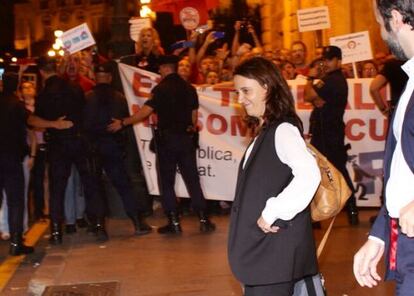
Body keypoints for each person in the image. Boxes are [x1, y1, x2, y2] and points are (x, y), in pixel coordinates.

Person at [228, 57, 321, 296]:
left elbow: (309, 174)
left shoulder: (283, 130)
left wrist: (273, 212)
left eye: (246, 90)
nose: (240, 99)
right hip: (266, 255)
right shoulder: (268, 130)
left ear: (267, 87)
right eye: (237, 92)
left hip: (273, 254)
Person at [108, 55, 215, 234]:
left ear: (166, 68)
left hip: (167, 142)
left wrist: (124, 122)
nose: (158, 71)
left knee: (167, 182)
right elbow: (194, 117)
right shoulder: (189, 89)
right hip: (186, 140)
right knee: (192, 179)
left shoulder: (160, 89)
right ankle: (204, 220)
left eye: (160, 68)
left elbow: (145, 112)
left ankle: (174, 222)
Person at [353, 1, 414, 294]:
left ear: (396, 18)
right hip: (403, 244)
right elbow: (401, 171)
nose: (381, 32)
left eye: (380, 23)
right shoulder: (410, 83)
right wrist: (379, 236)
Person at [28, 56, 108, 244]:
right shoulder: (74, 88)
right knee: (90, 185)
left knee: (57, 188)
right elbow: (84, 112)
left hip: (58, 144)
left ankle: (56, 231)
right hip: (80, 140)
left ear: (41, 72)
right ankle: (99, 225)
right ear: (56, 68)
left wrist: (54, 124)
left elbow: (33, 121)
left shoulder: (44, 94)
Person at [83, 63, 152, 236]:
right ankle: (137, 222)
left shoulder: (87, 97)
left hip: (93, 147)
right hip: (113, 146)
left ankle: (99, 226)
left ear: (95, 77)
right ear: (110, 78)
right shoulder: (119, 98)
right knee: (123, 185)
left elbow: (83, 124)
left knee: (94, 186)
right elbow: (123, 123)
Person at [304, 45, 360, 225]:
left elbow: (307, 94)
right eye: (324, 60)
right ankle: (336, 211)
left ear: (338, 60)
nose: (325, 63)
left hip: (330, 133)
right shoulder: (329, 79)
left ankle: (350, 208)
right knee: (321, 171)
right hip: (324, 132)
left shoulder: (334, 80)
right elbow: (311, 97)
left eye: (329, 60)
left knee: (336, 171)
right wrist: (316, 96)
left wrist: (310, 78)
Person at [0, 69, 34, 256]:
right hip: (12, 159)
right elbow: (32, 120)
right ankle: (16, 241)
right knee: (15, 201)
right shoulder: (17, 105)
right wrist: (55, 124)